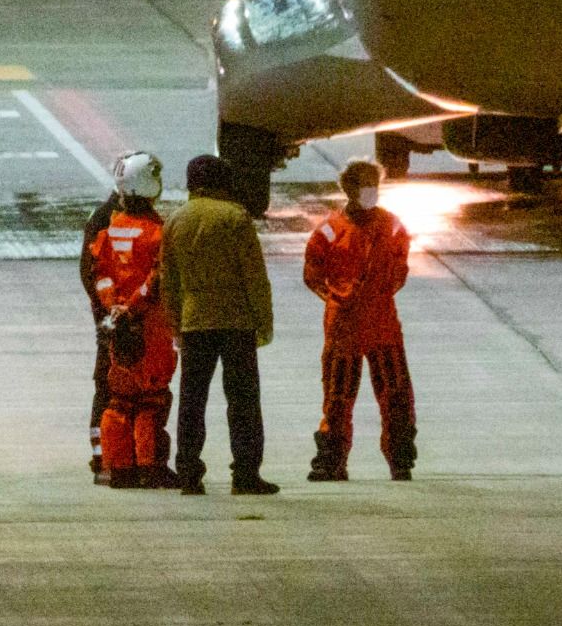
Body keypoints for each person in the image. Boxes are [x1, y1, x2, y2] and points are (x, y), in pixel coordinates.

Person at [160, 154, 279, 496]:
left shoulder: (176, 220)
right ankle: (245, 473)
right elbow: (255, 277)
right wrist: (263, 321)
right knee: (242, 401)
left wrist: (175, 324)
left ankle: (188, 473)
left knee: (192, 400)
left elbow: (169, 280)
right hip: (235, 319)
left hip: (195, 319)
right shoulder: (235, 217)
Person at [303, 158, 417, 481]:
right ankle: (332, 460)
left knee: (395, 395)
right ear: (350, 190)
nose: (371, 193)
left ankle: (400, 458)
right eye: (365, 186)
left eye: (374, 186)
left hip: (379, 326)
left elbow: (400, 270)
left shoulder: (392, 227)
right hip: (347, 329)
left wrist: (369, 296)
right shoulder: (329, 231)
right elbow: (312, 274)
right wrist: (341, 300)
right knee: (338, 398)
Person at [86, 152, 178, 488]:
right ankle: (150, 467)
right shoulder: (156, 232)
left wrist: (114, 307)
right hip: (149, 327)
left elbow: (101, 276)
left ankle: (119, 467)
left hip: (117, 326)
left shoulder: (111, 230)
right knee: (151, 399)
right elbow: (157, 278)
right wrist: (134, 306)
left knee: (120, 400)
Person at [79, 188, 119, 484]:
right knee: (113, 383)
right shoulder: (111, 220)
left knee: (107, 382)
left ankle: (108, 455)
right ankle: (110, 456)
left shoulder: (103, 215)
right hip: (120, 316)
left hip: (110, 315)